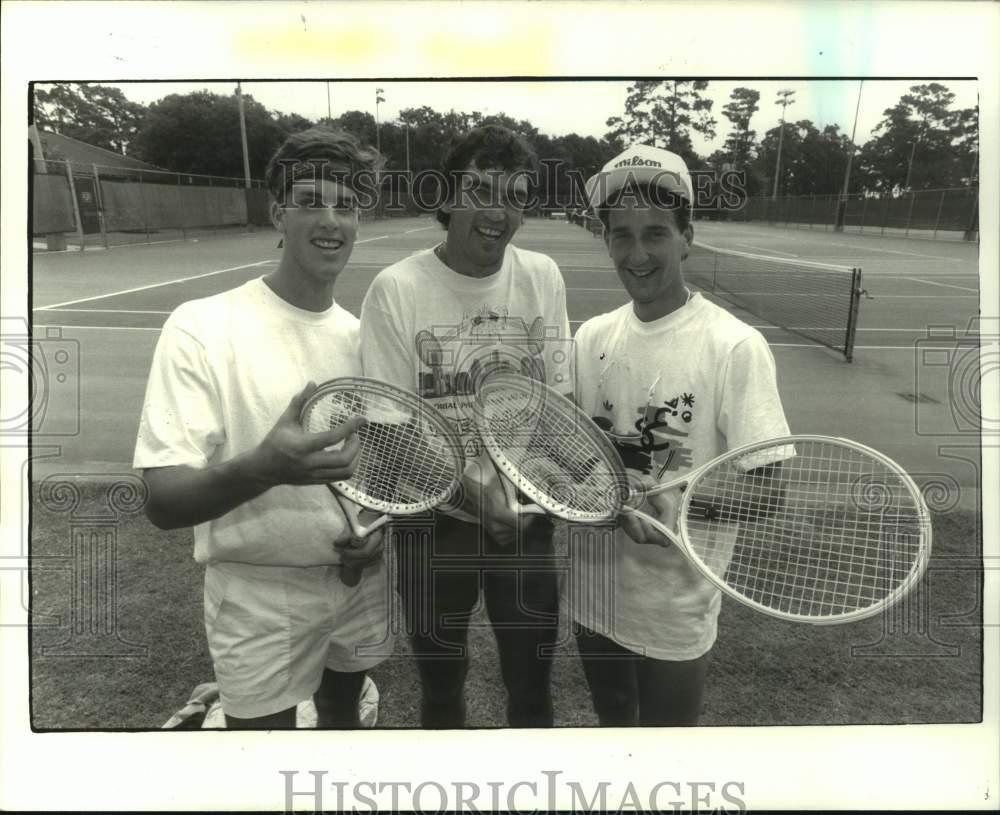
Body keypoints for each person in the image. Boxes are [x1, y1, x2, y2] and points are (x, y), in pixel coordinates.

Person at [134, 127, 391, 729]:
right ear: (279, 211)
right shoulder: (202, 325)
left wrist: (379, 532)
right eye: (310, 200)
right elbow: (162, 501)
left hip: (359, 583)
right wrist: (264, 467)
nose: (330, 220)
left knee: (342, 723)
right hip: (256, 594)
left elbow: (380, 471)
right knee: (262, 755)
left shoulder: (364, 339)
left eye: (347, 205)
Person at [566, 144, 790, 726]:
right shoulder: (591, 336)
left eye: (656, 234)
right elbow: (584, 456)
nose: (637, 254)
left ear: (687, 236)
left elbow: (768, 491)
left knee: (668, 745)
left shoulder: (734, 346)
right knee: (614, 722)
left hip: (675, 605)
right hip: (593, 589)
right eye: (621, 235)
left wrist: (679, 506)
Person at [359, 124, 572, 727]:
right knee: (442, 687)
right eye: (480, 189)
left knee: (531, 689)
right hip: (433, 521)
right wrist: (477, 501)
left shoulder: (543, 278)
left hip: (523, 515)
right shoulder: (395, 290)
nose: (496, 212)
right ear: (448, 196)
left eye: (514, 195)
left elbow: (555, 404)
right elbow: (390, 435)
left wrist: (545, 484)